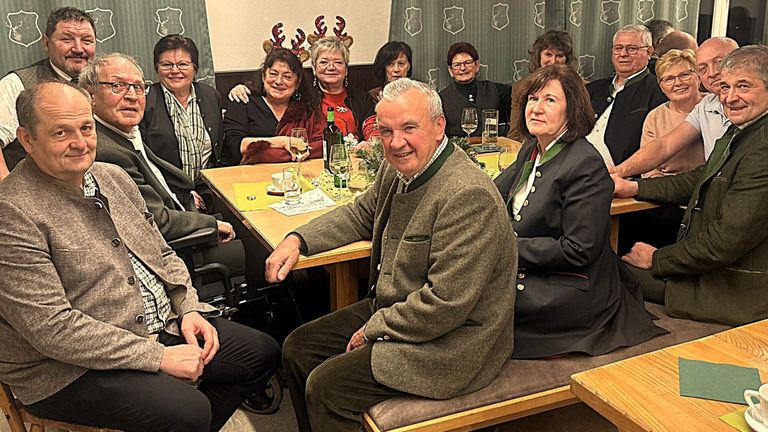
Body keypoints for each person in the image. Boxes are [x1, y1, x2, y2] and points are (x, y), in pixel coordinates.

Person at [0, 81, 280, 432]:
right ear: (27, 140)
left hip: (158, 324)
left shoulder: (112, 177)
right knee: (188, 411)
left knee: (261, 353)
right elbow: (52, 330)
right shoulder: (11, 212)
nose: (80, 143)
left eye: (86, 128)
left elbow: (161, 251)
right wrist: (159, 358)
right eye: (61, 132)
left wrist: (188, 307)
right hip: (65, 367)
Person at [267, 78, 516, 431]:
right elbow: (360, 214)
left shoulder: (466, 195)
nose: (396, 142)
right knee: (297, 348)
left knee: (326, 387)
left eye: (409, 128)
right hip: (399, 309)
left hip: (453, 342)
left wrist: (373, 329)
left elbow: (445, 303)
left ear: (439, 125)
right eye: (386, 131)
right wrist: (298, 240)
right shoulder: (399, 165)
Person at [495, 65, 664, 359]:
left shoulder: (584, 164)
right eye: (532, 99)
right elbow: (491, 198)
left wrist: (501, 247)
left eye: (549, 100)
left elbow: (577, 250)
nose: (536, 108)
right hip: (530, 268)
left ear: (571, 110)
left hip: (566, 287)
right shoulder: (532, 149)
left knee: (475, 306)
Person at [617, 45, 768, 326]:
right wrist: (633, 187)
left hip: (737, 289)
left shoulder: (762, 147)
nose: (730, 97)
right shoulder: (742, 132)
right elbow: (699, 176)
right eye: (725, 87)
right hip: (713, 266)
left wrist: (658, 258)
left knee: (609, 267)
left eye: (743, 86)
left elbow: (725, 242)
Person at [82, 53, 234, 243]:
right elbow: (155, 221)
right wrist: (211, 224)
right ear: (90, 95)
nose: (131, 96)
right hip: (173, 244)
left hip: (183, 209)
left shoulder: (126, 132)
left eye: (138, 87)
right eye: (117, 86)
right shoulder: (106, 151)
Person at [611, 37, 739, 179]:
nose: (712, 72)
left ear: (697, 78)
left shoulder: (709, 104)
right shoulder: (706, 106)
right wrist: (617, 172)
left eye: (684, 75)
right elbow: (664, 147)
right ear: (661, 86)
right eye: (669, 79)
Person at [0, 6, 95, 178]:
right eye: (67, 40)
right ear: (46, 43)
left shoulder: (102, 83)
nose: (78, 48)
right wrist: (8, 194)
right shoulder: (16, 83)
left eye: (87, 41)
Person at [229, 36, 377, 142]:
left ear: (346, 68)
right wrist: (241, 88)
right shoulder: (305, 99)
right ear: (314, 68)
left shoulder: (361, 98)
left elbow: (373, 126)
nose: (331, 67)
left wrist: (371, 144)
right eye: (324, 62)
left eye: (338, 62)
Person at [140, 35, 223, 192]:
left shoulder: (210, 95)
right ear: (156, 68)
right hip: (166, 194)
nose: (175, 71)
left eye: (183, 64)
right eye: (166, 65)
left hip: (209, 190)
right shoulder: (145, 101)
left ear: (195, 68)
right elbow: (143, 160)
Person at [222, 48, 323, 165]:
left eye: (287, 76)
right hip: (249, 177)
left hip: (298, 175)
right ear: (263, 76)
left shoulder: (307, 110)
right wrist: (283, 142)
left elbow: (320, 146)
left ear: (297, 82)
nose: (279, 81)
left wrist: (261, 154)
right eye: (273, 74)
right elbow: (236, 146)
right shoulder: (243, 101)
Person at [586, 25, 667, 167]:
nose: (623, 54)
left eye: (632, 48)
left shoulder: (659, 92)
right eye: (618, 48)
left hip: (622, 176)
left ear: (649, 52)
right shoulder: (592, 89)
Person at [439, 42, 511, 138]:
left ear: (477, 65)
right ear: (450, 70)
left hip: (492, 149)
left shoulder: (497, 91)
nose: (463, 68)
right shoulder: (441, 98)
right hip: (459, 151)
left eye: (467, 63)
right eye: (457, 65)